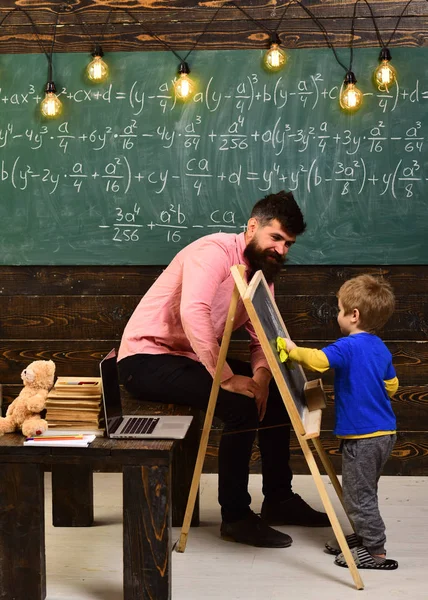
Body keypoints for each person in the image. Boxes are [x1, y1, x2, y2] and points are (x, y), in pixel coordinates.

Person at [118, 190, 329, 549]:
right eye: (275, 237)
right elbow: (193, 312)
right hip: (145, 358)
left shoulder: (262, 271)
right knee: (240, 405)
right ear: (252, 228)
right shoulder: (213, 252)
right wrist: (227, 378)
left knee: (275, 391)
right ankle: (236, 516)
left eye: (288, 244)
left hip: (187, 357)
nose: (281, 249)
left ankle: (278, 498)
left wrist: (261, 377)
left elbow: (264, 334)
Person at [282, 274, 399, 570]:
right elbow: (392, 385)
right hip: (385, 434)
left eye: (339, 309)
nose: (338, 314)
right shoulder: (379, 347)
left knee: (359, 497)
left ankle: (374, 550)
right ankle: (362, 536)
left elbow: (318, 361)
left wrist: (292, 349)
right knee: (364, 490)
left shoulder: (347, 347)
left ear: (354, 315)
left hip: (363, 438)